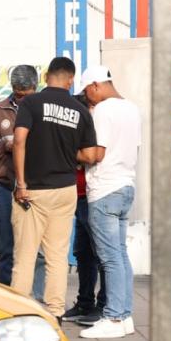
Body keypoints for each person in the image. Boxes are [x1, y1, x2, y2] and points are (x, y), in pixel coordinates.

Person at [10, 56, 98, 318]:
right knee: (57, 256)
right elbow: (90, 155)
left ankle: (18, 313)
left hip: (33, 190)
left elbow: (18, 140)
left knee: (25, 255)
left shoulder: (31, 103)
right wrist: (69, 153)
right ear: (70, 80)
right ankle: (56, 312)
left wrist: (21, 183)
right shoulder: (80, 110)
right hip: (65, 189)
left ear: (47, 75)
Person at [76, 66, 140, 338]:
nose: (88, 98)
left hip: (104, 189)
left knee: (110, 257)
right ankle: (124, 315)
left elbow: (95, 155)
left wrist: (70, 151)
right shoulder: (132, 108)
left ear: (95, 85)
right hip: (126, 184)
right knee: (120, 254)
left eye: (87, 92)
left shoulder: (103, 110)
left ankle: (113, 317)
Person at [0, 64, 45, 294]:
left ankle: (37, 299)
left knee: (37, 250)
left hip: (38, 188)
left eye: (27, 95)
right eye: (18, 95)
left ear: (36, 87)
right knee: (7, 248)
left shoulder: (45, 109)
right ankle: (8, 298)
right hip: (6, 187)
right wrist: (2, 146)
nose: (23, 100)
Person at [63, 91, 107, 325]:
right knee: (82, 253)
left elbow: (91, 157)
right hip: (78, 197)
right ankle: (85, 302)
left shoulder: (96, 128)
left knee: (101, 253)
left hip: (93, 197)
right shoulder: (82, 129)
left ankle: (103, 305)